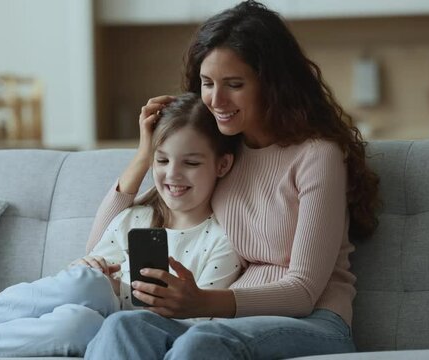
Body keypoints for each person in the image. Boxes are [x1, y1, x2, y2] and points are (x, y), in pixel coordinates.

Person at [84, 1, 381, 359]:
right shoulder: (224, 154)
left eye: (234, 84)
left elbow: (304, 290)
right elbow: (97, 246)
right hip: (223, 321)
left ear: (272, 84)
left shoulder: (317, 156)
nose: (216, 99)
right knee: (123, 326)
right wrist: (145, 156)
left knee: (202, 342)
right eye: (207, 83)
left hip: (314, 322)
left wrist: (202, 301)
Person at [0, 93, 244, 357]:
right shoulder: (137, 218)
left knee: (79, 325)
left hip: (137, 333)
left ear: (222, 165)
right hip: (97, 308)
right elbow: (83, 271)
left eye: (191, 163)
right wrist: (93, 268)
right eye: (162, 160)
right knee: (87, 289)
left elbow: (203, 318)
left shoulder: (223, 237)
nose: (172, 175)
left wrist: (137, 294)